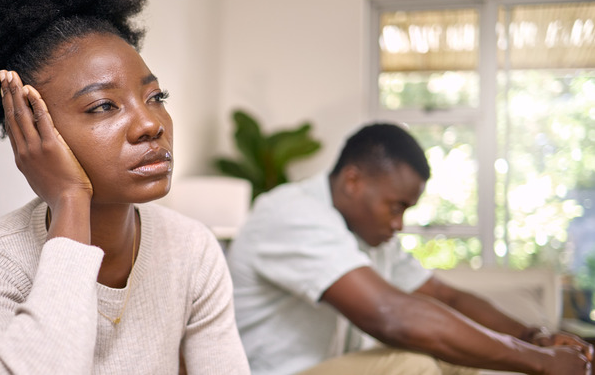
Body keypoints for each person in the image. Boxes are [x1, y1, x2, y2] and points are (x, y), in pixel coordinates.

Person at [0, 0, 250, 373]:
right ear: (33, 130)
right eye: (102, 106)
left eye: (155, 96)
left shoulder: (192, 250)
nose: (150, 124)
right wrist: (70, 199)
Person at [227, 122, 593, 375]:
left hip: (326, 367)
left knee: (458, 357)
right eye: (395, 206)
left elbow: (444, 297)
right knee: (412, 366)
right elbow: (391, 315)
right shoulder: (291, 213)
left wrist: (535, 337)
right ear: (353, 181)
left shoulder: (368, 234)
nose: (399, 224)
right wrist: (541, 362)